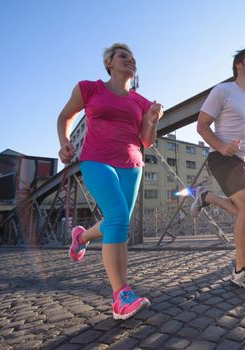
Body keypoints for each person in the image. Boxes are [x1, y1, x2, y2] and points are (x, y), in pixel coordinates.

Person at [56, 43, 163, 320]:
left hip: (132, 164)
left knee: (117, 223)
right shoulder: (89, 89)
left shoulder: (140, 101)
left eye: (133, 58)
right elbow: (65, 116)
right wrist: (65, 143)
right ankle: (121, 296)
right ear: (109, 63)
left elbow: (146, 142)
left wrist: (151, 119)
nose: (130, 60)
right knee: (116, 218)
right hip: (96, 160)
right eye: (123, 56)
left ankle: (81, 236)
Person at [192, 47, 245, 290]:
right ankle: (240, 271)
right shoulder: (223, 90)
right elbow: (202, 125)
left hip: (242, 161)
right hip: (221, 157)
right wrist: (221, 145)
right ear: (239, 65)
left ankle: (206, 197)